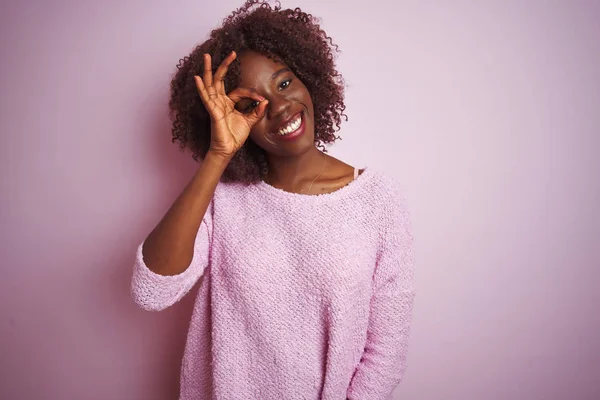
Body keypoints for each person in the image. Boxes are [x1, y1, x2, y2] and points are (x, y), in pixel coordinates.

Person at [131, 1, 415, 399]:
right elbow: (151, 290)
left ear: (308, 78)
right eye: (251, 104)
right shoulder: (224, 200)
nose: (279, 108)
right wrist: (218, 155)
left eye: (284, 84)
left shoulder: (377, 203)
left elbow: (384, 353)